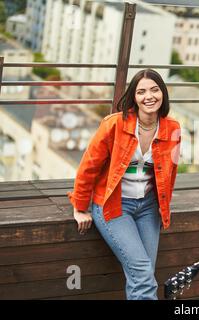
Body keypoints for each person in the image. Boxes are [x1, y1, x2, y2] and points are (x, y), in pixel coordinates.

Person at [67, 69, 181, 300]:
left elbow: (170, 173)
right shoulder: (114, 124)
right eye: (141, 91)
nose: (149, 96)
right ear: (134, 97)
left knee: (141, 275)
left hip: (149, 208)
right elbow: (88, 166)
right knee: (142, 275)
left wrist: (163, 209)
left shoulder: (172, 129)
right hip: (115, 206)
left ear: (163, 93)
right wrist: (80, 207)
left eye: (155, 90)